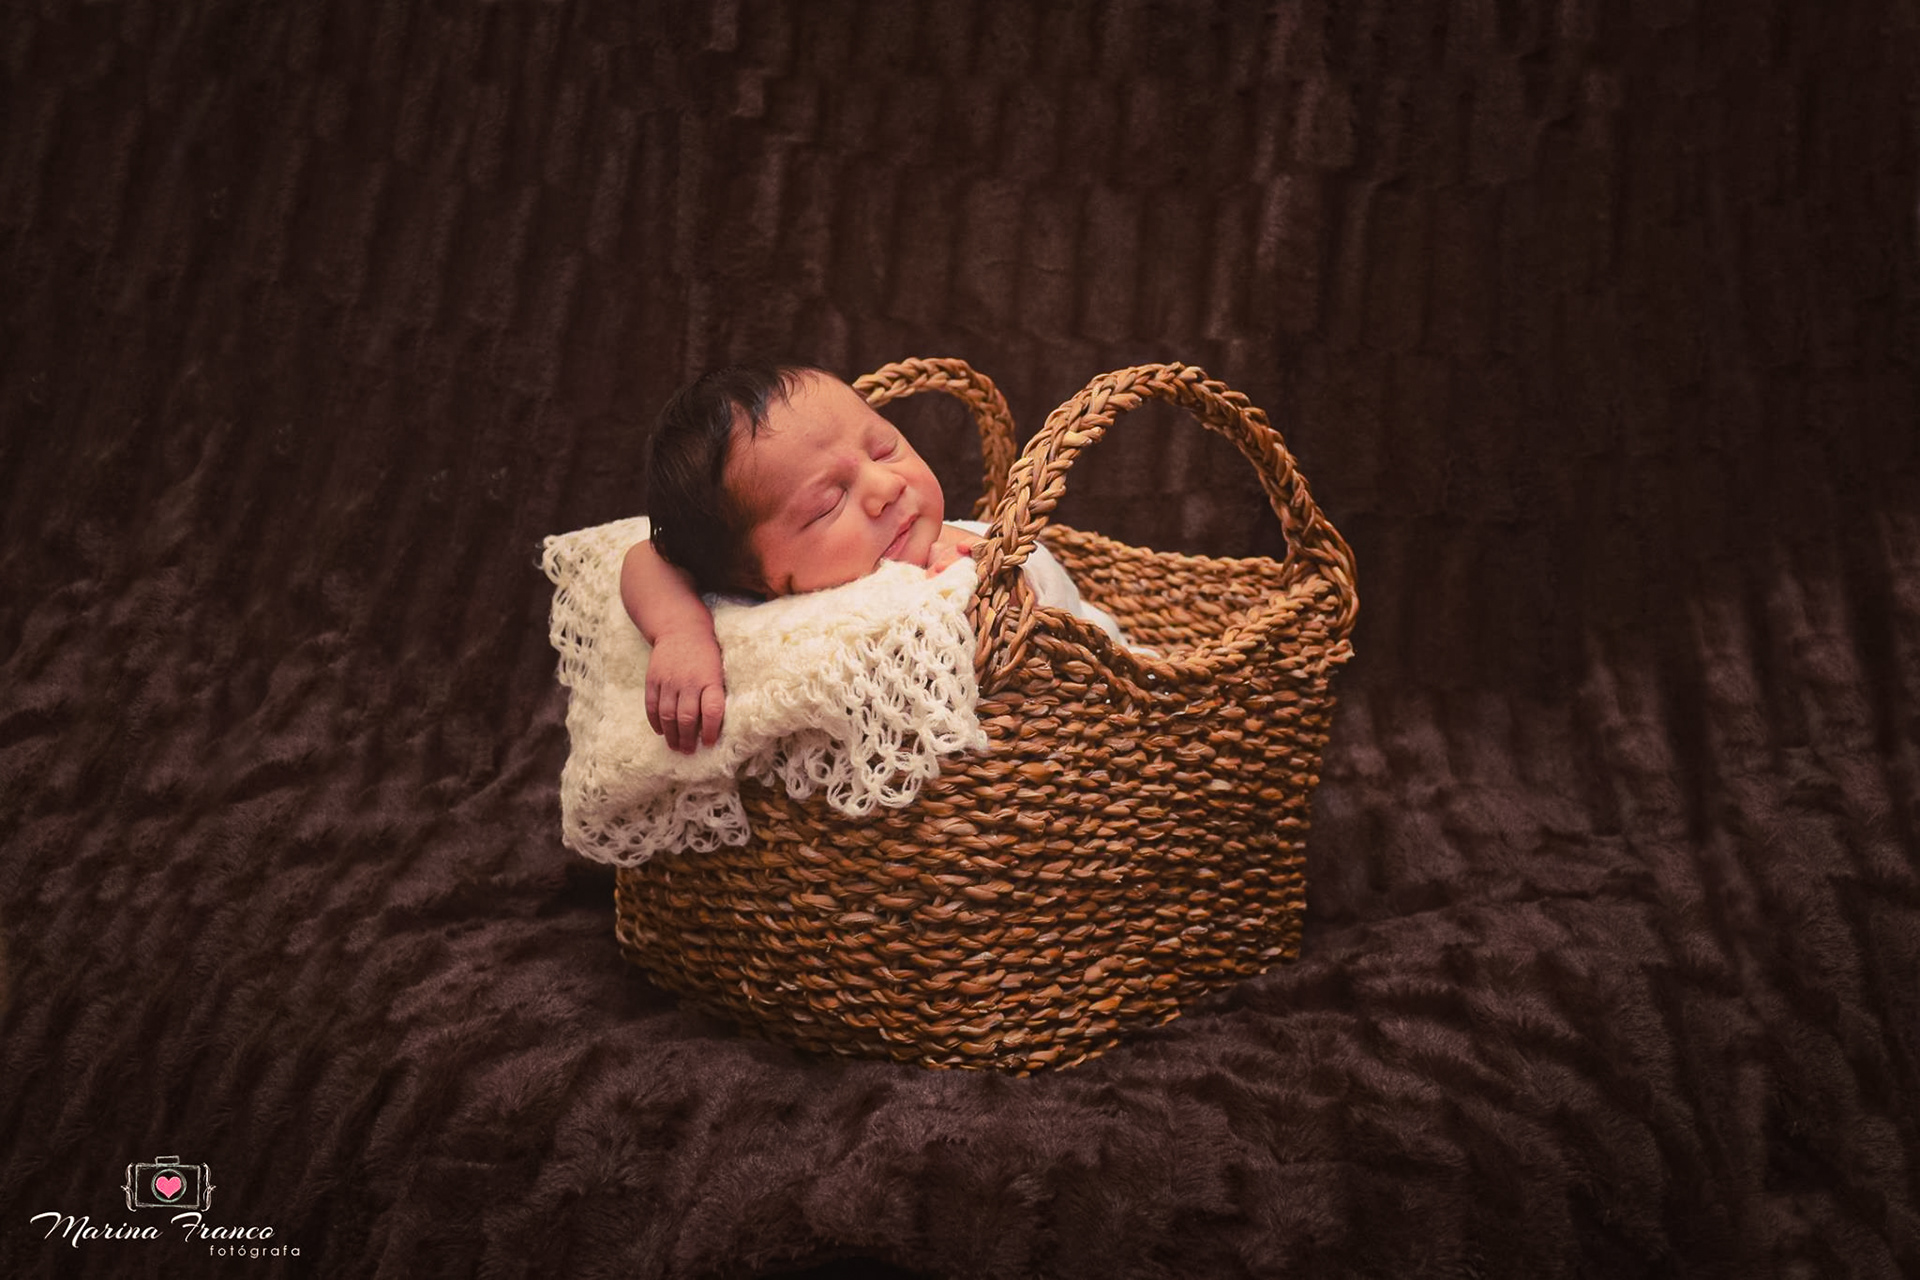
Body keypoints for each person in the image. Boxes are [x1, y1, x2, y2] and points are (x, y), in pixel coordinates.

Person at [623, 362, 1124, 753]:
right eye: (828, 502)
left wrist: (981, 569)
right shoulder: (753, 606)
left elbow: (1035, 609)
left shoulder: (958, 552)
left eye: (884, 449)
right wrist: (680, 632)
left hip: (1112, 708)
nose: (886, 486)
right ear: (751, 576)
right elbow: (645, 557)